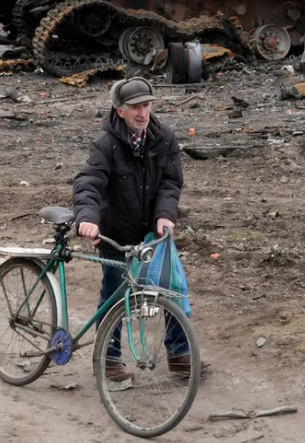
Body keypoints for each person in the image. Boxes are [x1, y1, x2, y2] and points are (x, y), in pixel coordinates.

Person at [72, 76, 189, 382]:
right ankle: (108, 360)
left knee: (172, 289)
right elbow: (89, 183)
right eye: (136, 107)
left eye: (147, 105)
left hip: (153, 233)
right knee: (115, 294)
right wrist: (88, 218)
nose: (143, 113)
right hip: (115, 232)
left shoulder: (164, 137)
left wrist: (165, 215)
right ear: (120, 110)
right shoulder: (106, 145)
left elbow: (170, 182)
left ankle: (179, 355)